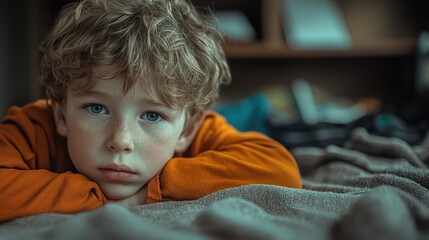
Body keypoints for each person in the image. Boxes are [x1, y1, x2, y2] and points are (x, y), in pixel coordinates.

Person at [0, 0, 301, 222]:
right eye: (96, 108)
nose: (121, 141)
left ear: (187, 129)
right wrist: (94, 198)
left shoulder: (200, 129)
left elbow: (280, 168)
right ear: (61, 114)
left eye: (152, 115)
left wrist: (146, 195)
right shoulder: (34, 125)